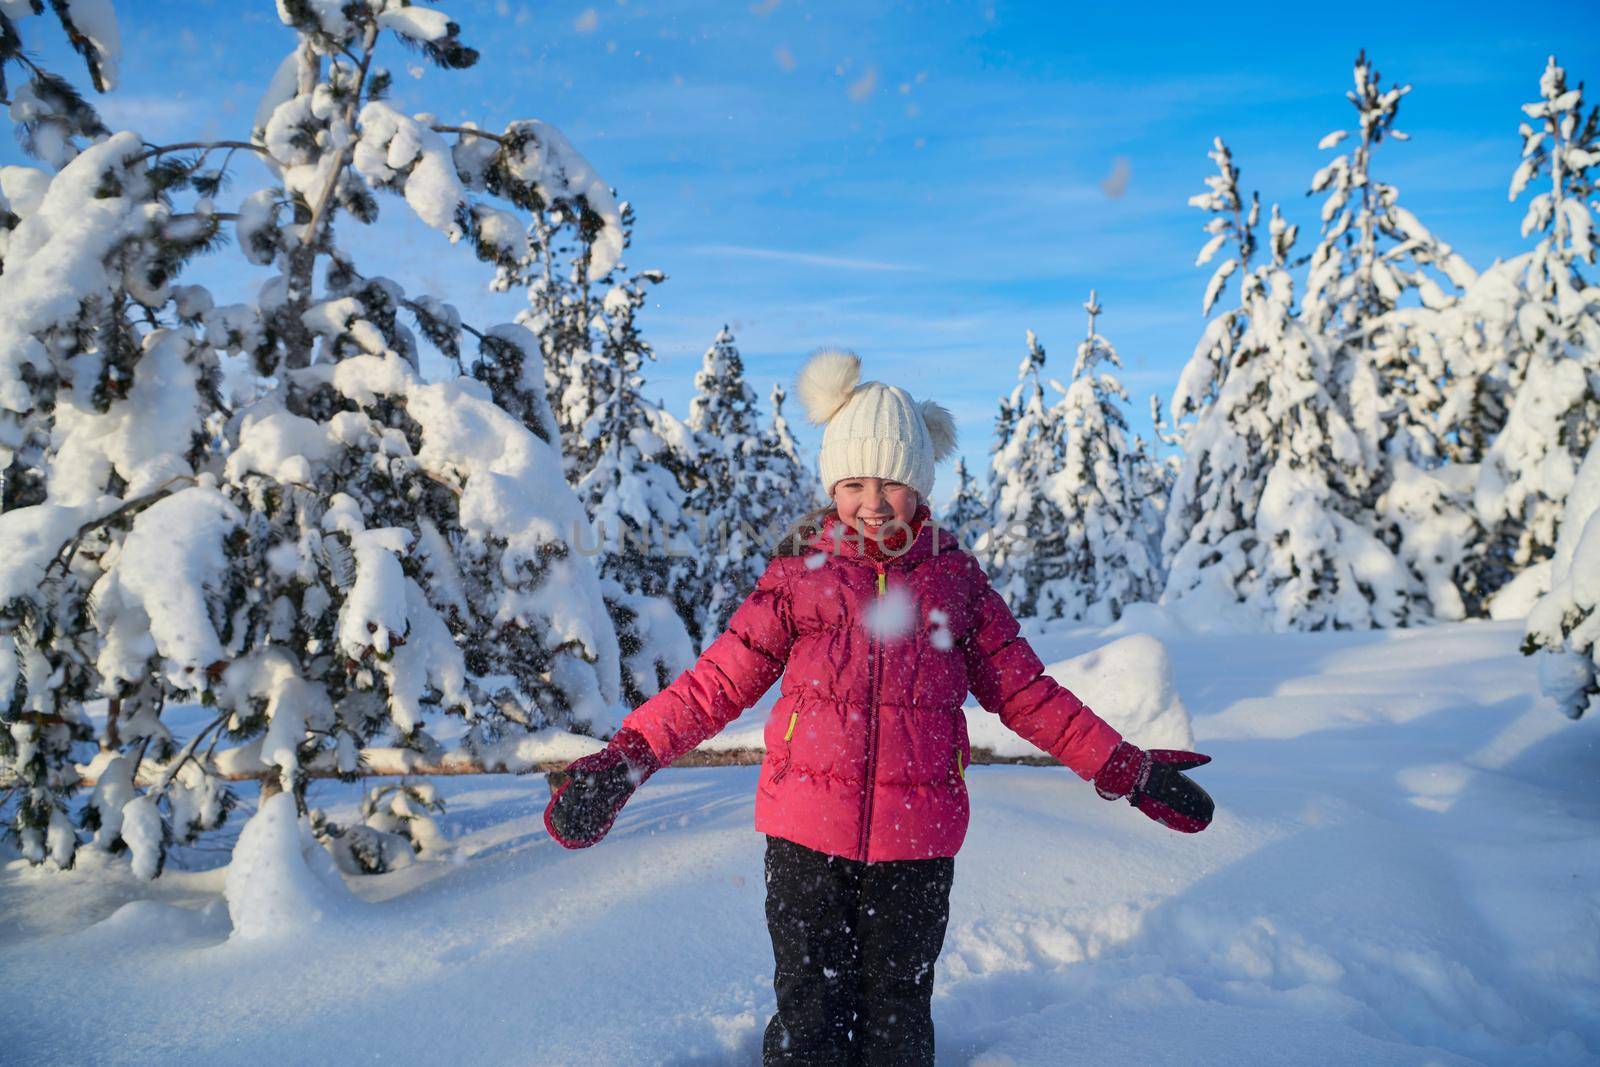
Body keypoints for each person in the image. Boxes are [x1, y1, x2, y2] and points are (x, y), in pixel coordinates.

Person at [544, 348, 1214, 1066]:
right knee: (809, 1021)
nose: (871, 500)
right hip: (804, 840)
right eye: (854, 481)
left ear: (919, 485)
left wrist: (1127, 769)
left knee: (898, 1019)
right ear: (833, 482)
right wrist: (626, 759)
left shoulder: (956, 582)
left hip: (917, 845)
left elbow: (1027, 693)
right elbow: (716, 684)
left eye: (890, 481)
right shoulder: (798, 578)